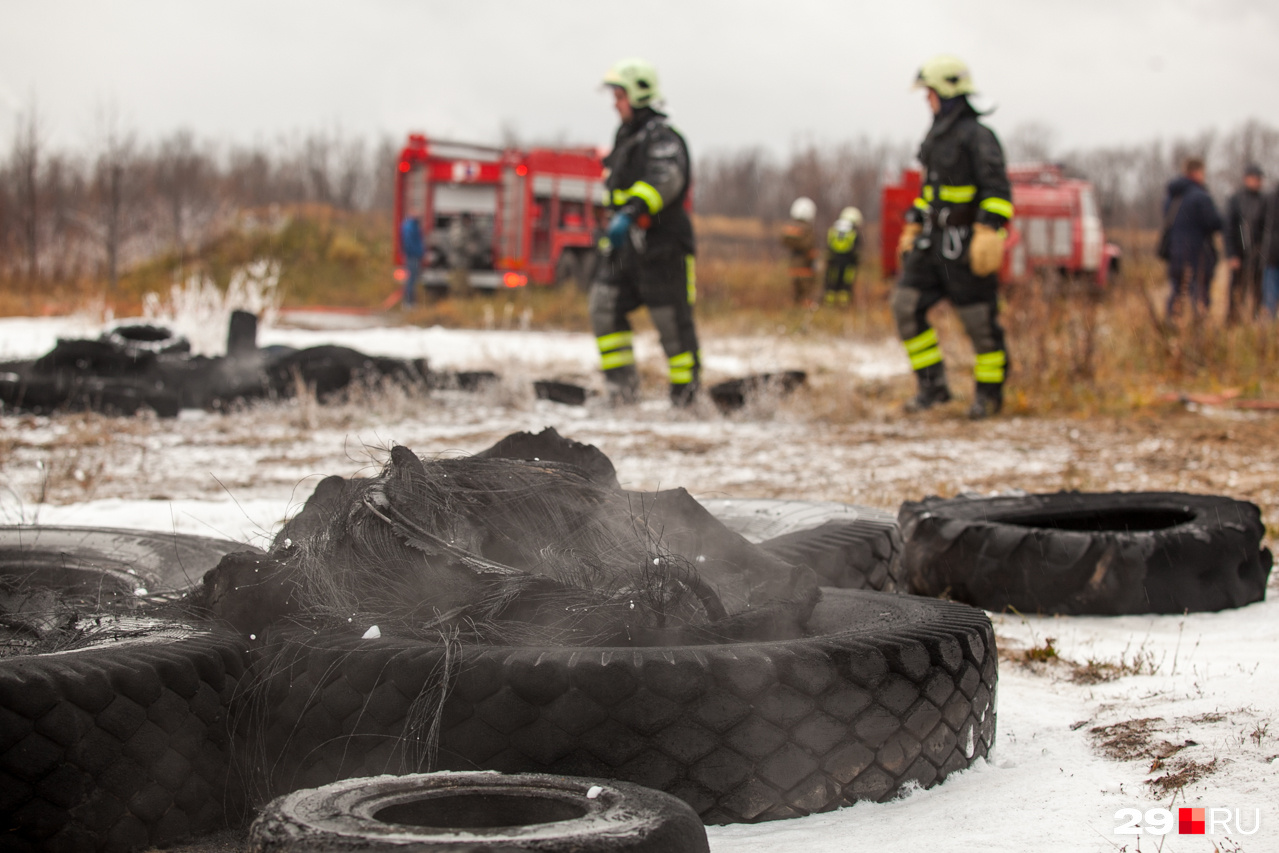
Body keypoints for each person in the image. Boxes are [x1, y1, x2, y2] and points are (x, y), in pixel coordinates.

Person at [893, 55, 1014, 419]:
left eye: (929, 93)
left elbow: (998, 190)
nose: (926, 100)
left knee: (980, 326)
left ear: (946, 92)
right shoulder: (935, 135)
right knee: (905, 306)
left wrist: (989, 230)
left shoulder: (979, 137)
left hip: (965, 246)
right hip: (933, 243)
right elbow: (931, 189)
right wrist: (915, 221)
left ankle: (989, 397)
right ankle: (933, 388)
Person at [591, 57, 700, 407]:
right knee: (603, 306)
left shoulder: (663, 138)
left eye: (619, 95)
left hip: (662, 248)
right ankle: (621, 392)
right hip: (625, 249)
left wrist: (632, 211)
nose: (614, 102)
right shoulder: (626, 137)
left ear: (639, 94)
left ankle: (687, 400)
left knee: (672, 326)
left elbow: (665, 179)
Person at [1161, 157, 1222, 317]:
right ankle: (1197, 330)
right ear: (1196, 173)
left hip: (1175, 252)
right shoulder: (1201, 196)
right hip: (1198, 253)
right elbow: (1214, 222)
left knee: (1177, 290)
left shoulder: (1172, 197)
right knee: (1199, 292)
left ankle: (1172, 324)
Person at [1224, 165, 1266, 322]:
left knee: (1259, 291)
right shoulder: (1236, 200)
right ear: (1246, 178)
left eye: (1260, 179)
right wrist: (1232, 254)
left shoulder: (1264, 199)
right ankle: (1233, 322)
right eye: (1255, 178)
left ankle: (1257, 321)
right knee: (1237, 291)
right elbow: (1229, 229)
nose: (1258, 182)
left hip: (1260, 254)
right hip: (1239, 254)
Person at [781, 197, 818, 305]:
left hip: (793, 264)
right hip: (805, 264)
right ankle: (806, 313)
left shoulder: (790, 227)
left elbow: (784, 241)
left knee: (795, 291)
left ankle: (794, 311)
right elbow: (809, 244)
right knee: (806, 291)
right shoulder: (807, 228)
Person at [824, 206, 862, 307]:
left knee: (831, 281)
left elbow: (828, 245)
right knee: (846, 283)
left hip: (833, 260)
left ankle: (829, 304)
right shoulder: (853, 231)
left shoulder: (834, 229)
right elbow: (857, 248)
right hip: (848, 260)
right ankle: (844, 304)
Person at [399, 216, 425, 308]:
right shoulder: (411, 227)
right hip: (412, 257)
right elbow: (409, 243)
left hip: (412, 256)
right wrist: (416, 253)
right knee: (411, 280)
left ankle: (409, 302)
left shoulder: (410, 226)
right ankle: (409, 303)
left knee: (411, 280)